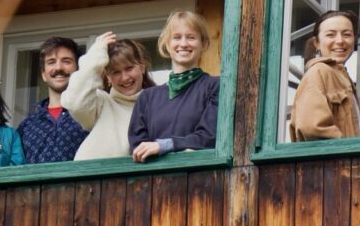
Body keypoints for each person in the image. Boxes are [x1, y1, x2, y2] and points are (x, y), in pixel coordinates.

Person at [129, 11, 218, 162]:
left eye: (191, 37)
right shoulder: (147, 97)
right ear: (167, 44)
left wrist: (164, 146)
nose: (183, 44)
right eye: (176, 37)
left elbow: (209, 136)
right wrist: (184, 147)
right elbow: (139, 148)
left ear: (203, 43)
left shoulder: (214, 86)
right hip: (153, 181)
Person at [63, 32, 155, 160]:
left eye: (129, 68)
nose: (125, 77)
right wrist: (95, 57)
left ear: (142, 67)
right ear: (108, 77)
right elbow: (74, 103)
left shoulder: (157, 104)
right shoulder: (101, 103)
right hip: (91, 177)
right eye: (116, 72)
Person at [289, 10, 360, 141]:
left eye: (347, 34)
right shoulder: (318, 72)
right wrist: (351, 152)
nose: (340, 41)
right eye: (330, 35)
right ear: (317, 43)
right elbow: (313, 129)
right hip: (334, 161)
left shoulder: (343, 79)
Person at [17, 36, 88, 163]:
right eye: (51, 62)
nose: (58, 68)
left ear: (78, 70)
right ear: (44, 74)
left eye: (66, 61)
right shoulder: (26, 127)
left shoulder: (91, 113)